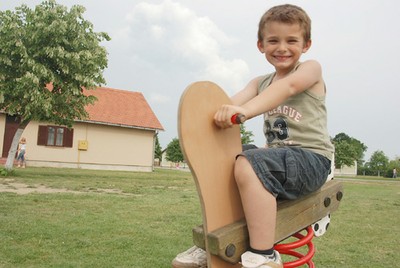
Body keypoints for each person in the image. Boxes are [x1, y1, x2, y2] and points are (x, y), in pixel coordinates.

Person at [172, 4, 334, 268]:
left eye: (292, 40)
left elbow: (288, 87)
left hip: (311, 161)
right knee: (232, 155)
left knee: (251, 162)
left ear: (306, 45)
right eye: (273, 40)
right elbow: (227, 105)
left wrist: (244, 111)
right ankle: (216, 241)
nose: (282, 47)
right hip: (281, 162)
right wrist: (202, 122)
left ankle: (264, 254)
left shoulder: (310, 70)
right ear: (261, 45)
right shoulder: (259, 83)